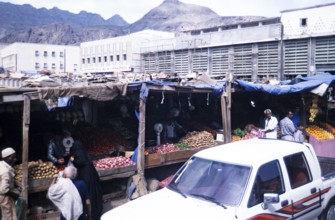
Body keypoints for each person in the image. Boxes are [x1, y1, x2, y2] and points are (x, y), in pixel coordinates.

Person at [69, 140, 103, 220]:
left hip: (85, 175)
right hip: (91, 173)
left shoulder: (78, 153)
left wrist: (72, 160)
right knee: (93, 191)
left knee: (87, 193)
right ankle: (95, 212)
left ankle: (89, 213)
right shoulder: (83, 152)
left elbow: (79, 163)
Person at [0, 147, 20, 220]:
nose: (15, 159)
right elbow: (3, 189)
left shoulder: (1, 164)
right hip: (4, 197)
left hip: (3, 196)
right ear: (7, 158)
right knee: (9, 217)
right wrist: (15, 195)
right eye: (13, 157)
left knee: (7, 215)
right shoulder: (5, 171)